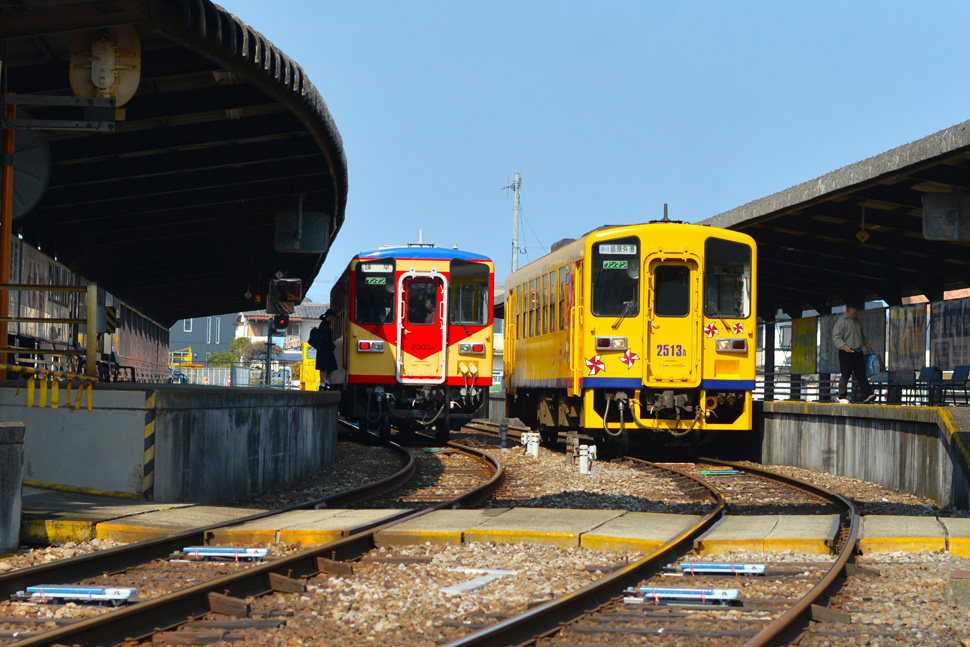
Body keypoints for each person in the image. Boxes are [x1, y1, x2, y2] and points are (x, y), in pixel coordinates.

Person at [832, 304, 875, 404]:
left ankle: (867, 395)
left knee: (861, 374)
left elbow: (861, 335)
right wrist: (844, 347)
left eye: (855, 313)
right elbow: (836, 337)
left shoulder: (859, 322)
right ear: (847, 312)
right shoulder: (841, 322)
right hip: (846, 351)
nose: (854, 315)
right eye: (852, 314)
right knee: (846, 374)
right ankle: (841, 396)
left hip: (858, 351)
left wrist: (865, 343)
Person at [313, 309, 339, 390]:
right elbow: (326, 338)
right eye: (333, 317)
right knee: (324, 366)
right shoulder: (324, 325)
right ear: (329, 316)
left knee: (327, 366)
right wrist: (331, 345)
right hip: (324, 348)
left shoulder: (325, 324)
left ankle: (325, 382)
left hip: (324, 348)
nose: (333, 319)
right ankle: (323, 383)